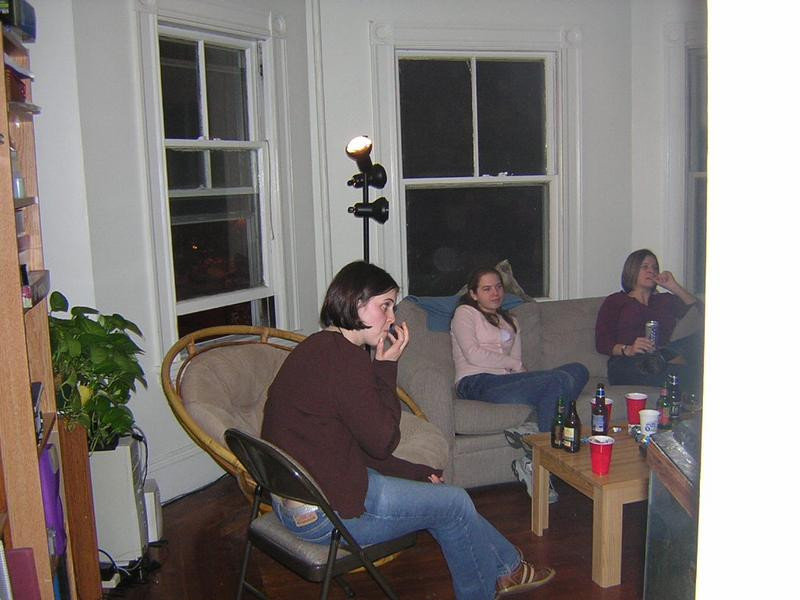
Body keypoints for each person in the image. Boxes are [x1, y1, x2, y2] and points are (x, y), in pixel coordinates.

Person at [261, 261, 554, 599]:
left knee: (442, 497)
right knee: (454, 504)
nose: (391, 318)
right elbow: (384, 440)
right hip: (325, 515)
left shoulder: (316, 347)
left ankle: (508, 568)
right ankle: (494, 581)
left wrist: (414, 472)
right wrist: (386, 366)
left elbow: (354, 443)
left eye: (393, 308)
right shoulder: (346, 359)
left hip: (299, 499)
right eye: (385, 306)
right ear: (355, 302)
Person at [450, 267, 589, 436]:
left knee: (578, 370)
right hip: (475, 382)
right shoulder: (465, 313)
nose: (495, 293)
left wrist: (522, 374)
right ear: (473, 294)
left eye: (499, 287)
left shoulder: (511, 321)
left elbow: (515, 358)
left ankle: (534, 423)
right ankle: (546, 445)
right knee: (558, 380)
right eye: (487, 289)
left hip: (504, 380)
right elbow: (473, 354)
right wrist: (515, 365)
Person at [595, 249, 703, 390]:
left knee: (700, 338)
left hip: (661, 357)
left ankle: (662, 360)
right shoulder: (616, 300)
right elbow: (602, 342)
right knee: (694, 376)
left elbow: (700, 313)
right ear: (632, 270)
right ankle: (670, 367)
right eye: (645, 267)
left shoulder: (664, 300)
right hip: (628, 362)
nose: (651, 271)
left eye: (655, 268)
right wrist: (628, 349)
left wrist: (673, 286)